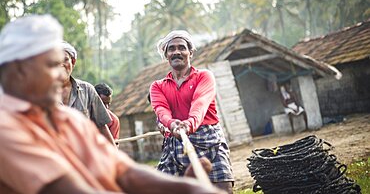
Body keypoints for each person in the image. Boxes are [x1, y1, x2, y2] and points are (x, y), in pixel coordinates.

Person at [0, 15, 225, 194]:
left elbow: (123, 171)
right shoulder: (5, 126)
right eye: (51, 66)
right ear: (19, 71)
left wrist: (187, 188)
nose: (61, 75)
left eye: (63, 65)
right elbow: (65, 189)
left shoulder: (69, 119)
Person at [150, 30, 234, 194]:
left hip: (209, 140)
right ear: (166, 55)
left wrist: (188, 125)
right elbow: (161, 110)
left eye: (181, 47)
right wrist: (172, 124)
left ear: (190, 52)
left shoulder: (204, 76)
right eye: (171, 49)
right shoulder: (157, 86)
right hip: (175, 143)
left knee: (223, 190)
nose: (176, 52)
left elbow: (200, 103)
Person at [60, 41, 114, 145]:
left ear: (73, 62)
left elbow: (102, 127)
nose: (61, 65)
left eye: (65, 59)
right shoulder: (40, 94)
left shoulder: (87, 90)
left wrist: (115, 157)